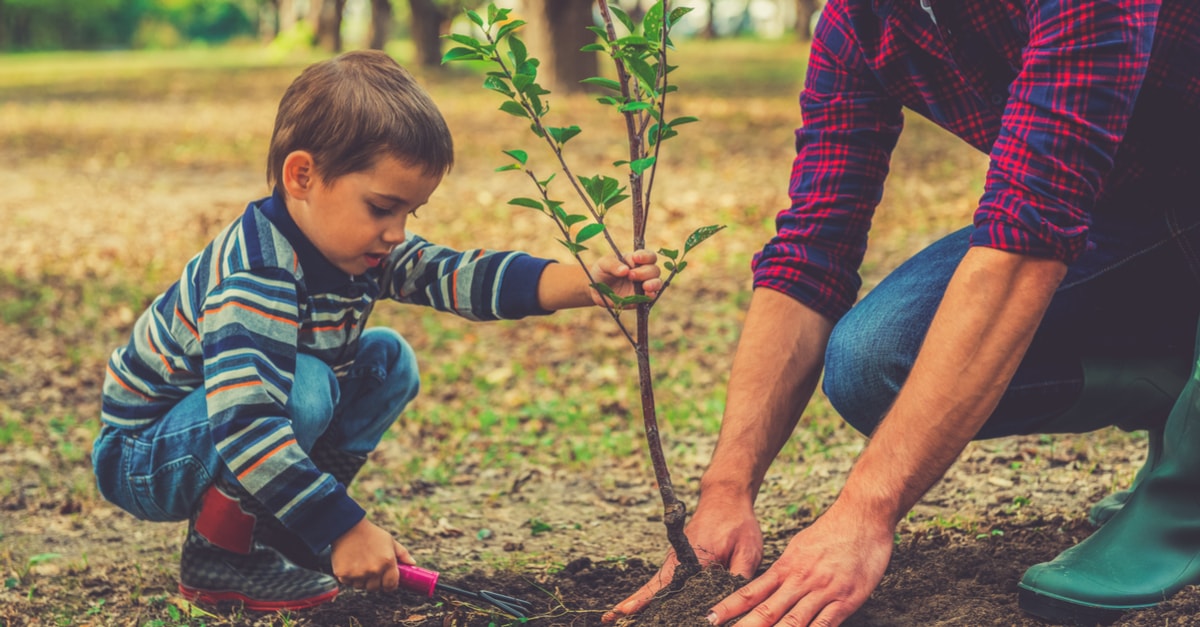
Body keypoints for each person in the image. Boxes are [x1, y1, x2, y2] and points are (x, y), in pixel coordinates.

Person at [606, 0, 1200, 625]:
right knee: (877, 358)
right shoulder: (861, 21)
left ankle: (1185, 501)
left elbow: (1026, 240)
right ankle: (1179, 388)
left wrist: (865, 514)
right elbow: (812, 250)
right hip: (1133, 207)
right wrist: (727, 489)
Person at [92, 49, 661, 612]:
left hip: (218, 430)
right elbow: (245, 425)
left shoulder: (357, 248)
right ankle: (222, 558)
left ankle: (287, 532)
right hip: (145, 453)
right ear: (303, 175)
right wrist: (345, 529)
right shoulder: (256, 275)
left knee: (387, 359)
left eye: (409, 213)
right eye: (382, 208)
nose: (396, 232)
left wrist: (584, 283)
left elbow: (455, 273)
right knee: (306, 384)